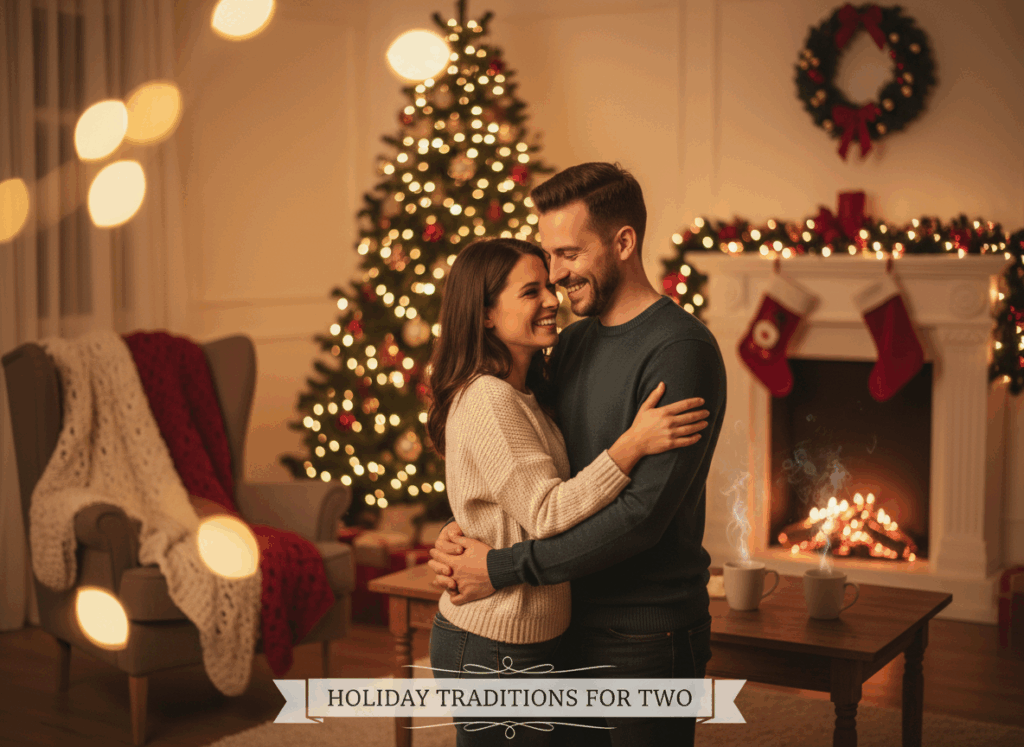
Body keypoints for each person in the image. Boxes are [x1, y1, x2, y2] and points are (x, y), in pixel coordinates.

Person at [429, 162, 728, 747]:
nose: (556, 275)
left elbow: (640, 519)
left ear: (623, 242)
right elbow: (525, 470)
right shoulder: (567, 346)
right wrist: (465, 523)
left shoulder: (681, 351)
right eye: (547, 258)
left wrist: (500, 566)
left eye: (568, 254)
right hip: (557, 622)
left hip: (645, 634)